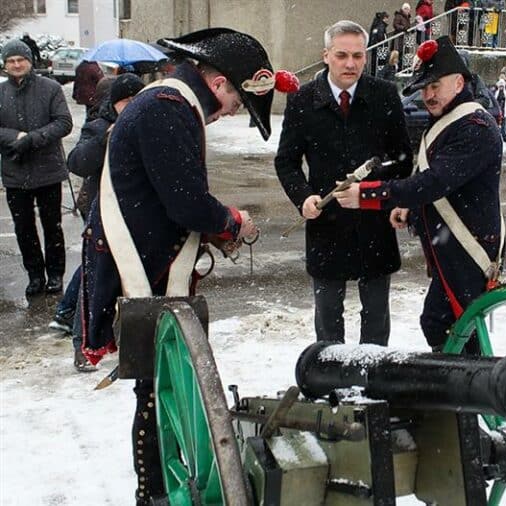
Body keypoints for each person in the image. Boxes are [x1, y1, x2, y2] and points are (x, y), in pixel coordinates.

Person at [80, 28, 293, 505]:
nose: (235, 109)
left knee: (162, 389)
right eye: (238, 97)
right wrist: (231, 220)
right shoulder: (168, 108)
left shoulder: (172, 106)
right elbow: (185, 203)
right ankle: (153, 492)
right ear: (218, 83)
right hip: (140, 267)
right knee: (155, 394)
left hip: (149, 260)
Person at [335, 36, 504, 353]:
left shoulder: (475, 127)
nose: (427, 94)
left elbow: (434, 182)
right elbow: (446, 186)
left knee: (459, 327)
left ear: (458, 82)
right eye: (424, 88)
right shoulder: (450, 123)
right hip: (450, 248)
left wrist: (369, 195)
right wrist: (412, 211)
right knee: (439, 322)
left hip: (467, 250)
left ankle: (474, 388)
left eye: (434, 86)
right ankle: (460, 383)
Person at [274, 20, 412, 347]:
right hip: (327, 226)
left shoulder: (384, 96)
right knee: (328, 318)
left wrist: (371, 190)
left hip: (375, 224)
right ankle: (329, 382)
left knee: (376, 316)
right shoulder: (304, 100)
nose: (350, 64)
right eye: (341, 55)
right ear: (326, 56)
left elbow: (403, 158)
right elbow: (286, 161)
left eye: (358, 56)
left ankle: (373, 381)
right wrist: (304, 197)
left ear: (366, 57)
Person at [49, 74, 145, 371]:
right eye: (125, 101)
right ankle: (82, 343)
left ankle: (130, 340)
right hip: (103, 215)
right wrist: (108, 138)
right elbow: (77, 161)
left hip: (138, 215)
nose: (131, 106)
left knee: (132, 280)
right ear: (113, 103)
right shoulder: (98, 125)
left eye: (136, 100)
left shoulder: (148, 126)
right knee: (94, 279)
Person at [0, 39, 73, 297]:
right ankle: (34, 275)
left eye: (21, 59)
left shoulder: (50, 88)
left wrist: (31, 139)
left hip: (48, 171)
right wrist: (14, 138)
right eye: (11, 61)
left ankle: (55, 274)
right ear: (5, 65)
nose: (16, 64)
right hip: (14, 173)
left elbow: (63, 122)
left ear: (30, 61)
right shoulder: (1, 92)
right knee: (24, 228)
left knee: (52, 225)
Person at [368, 11, 390, 76]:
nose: (387, 20)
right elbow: (380, 36)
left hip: (375, 47)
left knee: (375, 62)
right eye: (387, 18)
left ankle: (374, 74)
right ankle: (378, 75)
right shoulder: (381, 26)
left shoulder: (376, 25)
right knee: (380, 63)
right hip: (380, 48)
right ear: (384, 18)